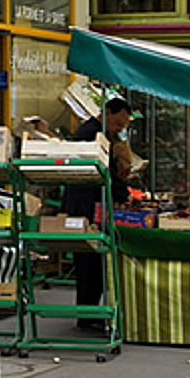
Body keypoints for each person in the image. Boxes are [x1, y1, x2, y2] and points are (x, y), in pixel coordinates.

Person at [61, 97, 133, 330]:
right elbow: (105, 172)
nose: (119, 130)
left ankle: (90, 312)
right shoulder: (91, 134)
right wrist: (123, 193)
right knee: (89, 261)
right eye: (118, 124)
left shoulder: (99, 134)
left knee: (94, 260)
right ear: (108, 113)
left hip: (93, 203)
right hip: (85, 206)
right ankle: (87, 314)